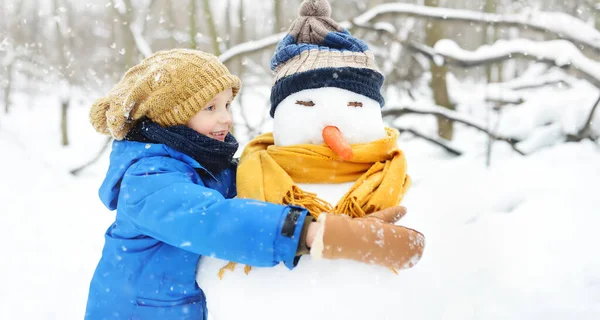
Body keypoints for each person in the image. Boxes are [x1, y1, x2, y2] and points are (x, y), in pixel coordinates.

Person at [84, 48, 423, 320]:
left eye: (228, 104)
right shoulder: (148, 179)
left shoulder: (208, 166)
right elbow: (212, 220)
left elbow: (264, 194)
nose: (226, 117)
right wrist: (312, 233)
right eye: (210, 107)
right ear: (170, 118)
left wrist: (340, 215)